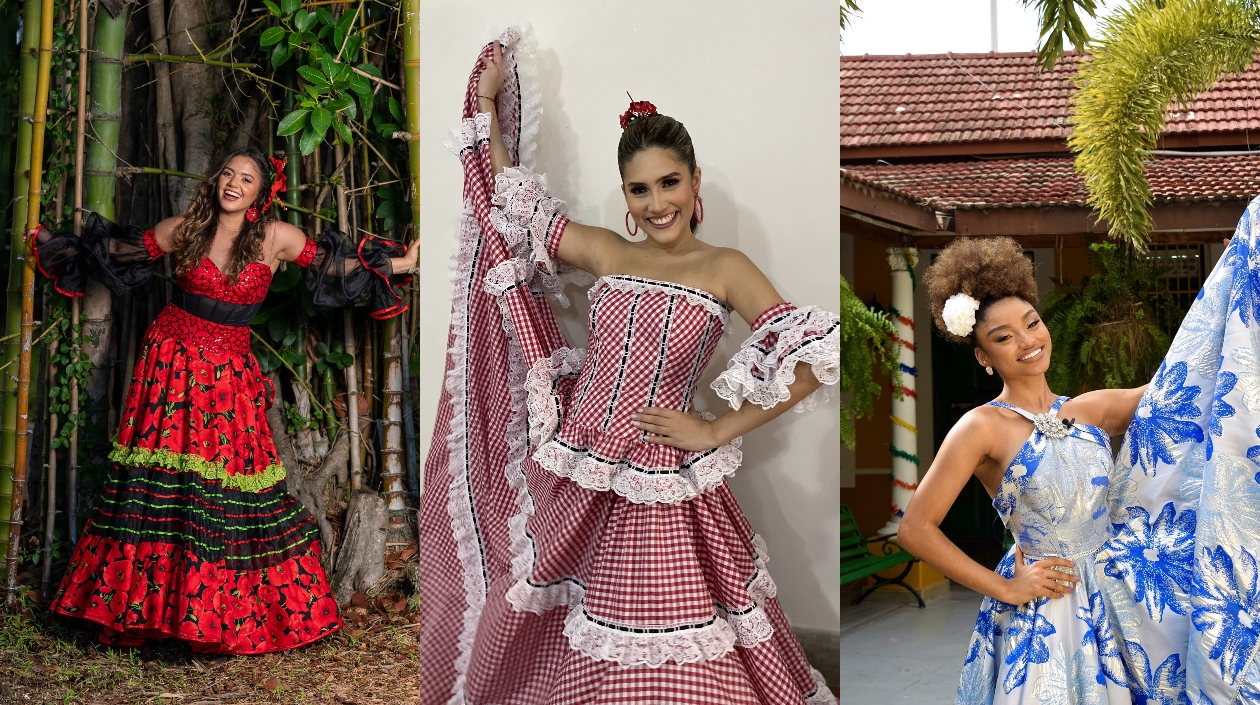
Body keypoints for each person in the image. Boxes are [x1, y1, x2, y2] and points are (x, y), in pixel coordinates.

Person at [417, 34, 839, 704]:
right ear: (625, 196)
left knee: (664, 633)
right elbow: (512, 201)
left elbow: (815, 355)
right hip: (579, 465)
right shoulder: (609, 251)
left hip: (664, 480)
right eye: (639, 189)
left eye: (669, 182)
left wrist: (717, 428)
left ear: (694, 181)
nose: (657, 202)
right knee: (555, 621)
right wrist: (489, 103)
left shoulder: (726, 268)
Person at [35, 147, 418, 654]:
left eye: (247, 179)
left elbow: (333, 266)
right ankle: (144, 612)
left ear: (263, 192)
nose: (233, 184)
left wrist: (404, 261)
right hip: (169, 365)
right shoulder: (184, 228)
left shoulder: (276, 238)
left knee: (230, 488)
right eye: (228, 175)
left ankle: (217, 618)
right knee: (159, 487)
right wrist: (52, 245)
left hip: (229, 376)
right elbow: (118, 253)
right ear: (217, 181)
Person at [898, 237, 1148, 703]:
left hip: (1114, 598)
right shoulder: (981, 427)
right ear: (983, 357)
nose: (1028, 341)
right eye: (1004, 337)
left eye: (1032, 323)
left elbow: (1182, 382)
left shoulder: (1091, 409)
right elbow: (914, 529)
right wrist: (1007, 588)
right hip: (1047, 608)